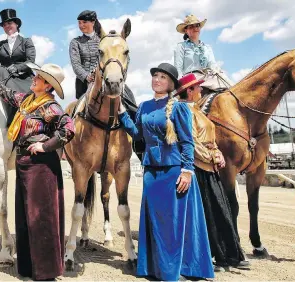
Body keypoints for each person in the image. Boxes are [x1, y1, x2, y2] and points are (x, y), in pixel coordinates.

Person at [0, 61, 74, 280]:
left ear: (48, 86)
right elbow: (6, 93)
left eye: (39, 78)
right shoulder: (28, 101)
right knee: (25, 218)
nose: (34, 79)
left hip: (41, 166)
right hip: (24, 163)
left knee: (41, 218)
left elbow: (68, 128)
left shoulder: (50, 106)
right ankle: (31, 267)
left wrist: (45, 145)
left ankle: (46, 271)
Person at [118, 63, 214, 281]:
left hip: (174, 171)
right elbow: (137, 134)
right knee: (156, 220)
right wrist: (122, 113)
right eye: (155, 76)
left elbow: (187, 142)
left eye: (162, 77)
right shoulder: (144, 106)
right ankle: (157, 267)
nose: (157, 79)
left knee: (174, 222)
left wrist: (188, 170)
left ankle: (176, 270)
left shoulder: (179, 108)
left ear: (171, 83)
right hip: (151, 172)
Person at [176, 73, 251, 272]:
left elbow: (210, 137)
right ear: (189, 91)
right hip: (198, 169)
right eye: (198, 88)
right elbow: (190, 141)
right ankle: (213, 256)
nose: (201, 90)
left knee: (222, 211)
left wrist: (217, 153)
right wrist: (211, 157)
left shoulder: (199, 110)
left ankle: (230, 255)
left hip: (210, 167)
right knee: (209, 214)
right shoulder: (184, 111)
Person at [69, 10, 141, 156]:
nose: (81, 25)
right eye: (79, 23)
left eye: (84, 22)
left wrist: (120, 75)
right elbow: (76, 64)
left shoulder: (105, 40)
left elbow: (121, 58)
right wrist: (87, 76)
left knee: (132, 104)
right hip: (86, 83)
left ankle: (139, 142)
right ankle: (69, 137)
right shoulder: (75, 42)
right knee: (74, 111)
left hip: (109, 78)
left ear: (93, 23)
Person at [173, 14, 233, 91]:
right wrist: (181, 87)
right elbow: (178, 69)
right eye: (191, 27)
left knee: (230, 86)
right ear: (186, 31)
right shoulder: (181, 46)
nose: (195, 28)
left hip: (208, 77)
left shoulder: (207, 47)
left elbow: (212, 65)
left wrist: (218, 72)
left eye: (197, 26)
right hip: (191, 79)